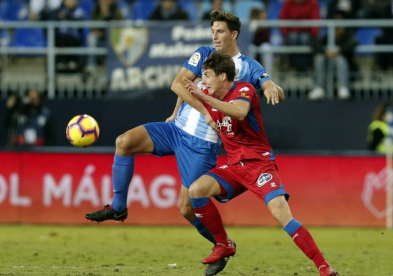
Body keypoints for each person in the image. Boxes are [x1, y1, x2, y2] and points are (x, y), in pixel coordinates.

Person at [85, 10, 283, 276]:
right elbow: (178, 84)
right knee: (124, 142)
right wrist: (192, 110)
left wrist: (272, 87)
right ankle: (119, 207)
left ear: (234, 34)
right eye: (213, 30)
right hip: (176, 129)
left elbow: (267, 82)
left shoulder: (247, 66)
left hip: (202, 143)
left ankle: (223, 244)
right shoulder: (203, 53)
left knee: (187, 208)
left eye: (220, 31)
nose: (214, 35)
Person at [183, 51, 339, 276]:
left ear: (223, 76)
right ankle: (224, 244)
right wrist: (179, 108)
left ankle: (324, 266)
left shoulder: (243, 89)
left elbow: (239, 112)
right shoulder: (208, 91)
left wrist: (204, 98)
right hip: (235, 167)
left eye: (207, 75)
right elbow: (182, 86)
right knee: (196, 190)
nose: (203, 81)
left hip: (259, 164)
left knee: (281, 214)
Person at [308, 11, 359, 100]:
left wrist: (339, 50)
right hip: (328, 66)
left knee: (340, 59)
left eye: (340, 26)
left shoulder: (348, 36)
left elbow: (354, 43)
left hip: (346, 68)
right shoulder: (328, 37)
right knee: (319, 58)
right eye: (336, 27)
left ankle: (343, 88)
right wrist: (325, 51)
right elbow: (313, 43)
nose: (338, 29)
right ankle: (319, 88)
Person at [279, 0, 321, 71]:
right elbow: (282, 19)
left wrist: (314, 34)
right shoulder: (288, 3)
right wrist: (285, 34)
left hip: (308, 34)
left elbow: (315, 20)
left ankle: (304, 68)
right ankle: (295, 66)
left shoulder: (313, 3)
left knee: (304, 38)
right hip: (291, 34)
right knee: (293, 38)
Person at [85, 0, 123, 74]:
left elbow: (121, 26)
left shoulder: (116, 11)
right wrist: (103, 16)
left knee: (116, 36)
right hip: (100, 39)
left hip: (112, 38)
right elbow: (93, 28)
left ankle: (116, 64)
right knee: (91, 38)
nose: (104, 2)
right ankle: (91, 65)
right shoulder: (96, 12)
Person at [54, 0, 86, 73]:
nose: (70, 2)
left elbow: (78, 21)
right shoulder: (60, 11)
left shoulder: (79, 11)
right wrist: (58, 17)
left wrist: (67, 16)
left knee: (71, 40)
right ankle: (61, 62)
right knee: (60, 39)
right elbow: (51, 19)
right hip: (62, 37)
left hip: (74, 37)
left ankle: (73, 61)